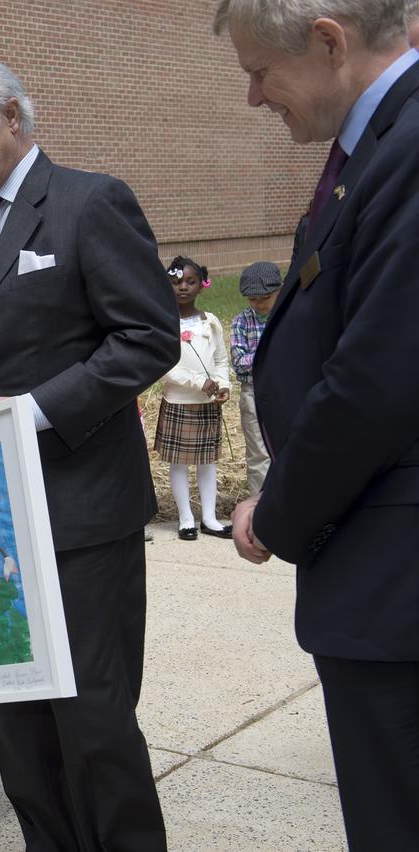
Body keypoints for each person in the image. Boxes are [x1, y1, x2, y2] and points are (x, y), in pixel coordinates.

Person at [0, 52, 178, 850]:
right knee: (17, 727)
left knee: (93, 717)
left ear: (11, 117)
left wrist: (32, 410)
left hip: (80, 510)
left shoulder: (89, 203)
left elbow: (147, 337)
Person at [216, 2, 419, 846]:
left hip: (395, 581)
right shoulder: (375, 147)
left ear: (329, 42)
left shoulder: (406, 149)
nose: (257, 99)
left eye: (261, 72)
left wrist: (278, 512)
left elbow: (375, 378)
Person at [153, 256, 231, 541]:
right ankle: (186, 518)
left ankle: (209, 518)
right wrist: (200, 382)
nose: (182, 287)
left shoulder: (210, 323)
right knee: (179, 462)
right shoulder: (163, 324)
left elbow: (221, 360)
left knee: (208, 461)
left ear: (202, 285)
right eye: (175, 282)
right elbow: (166, 365)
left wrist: (223, 385)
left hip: (208, 404)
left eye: (190, 281)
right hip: (179, 402)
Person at [229, 261, 281, 497]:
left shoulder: (286, 317)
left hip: (285, 389)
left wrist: (259, 356)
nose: (259, 304)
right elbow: (239, 362)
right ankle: (260, 507)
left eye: (265, 297)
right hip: (253, 391)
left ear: (279, 290)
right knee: (258, 453)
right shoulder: (241, 321)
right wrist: (273, 353)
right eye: (252, 299)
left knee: (288, 448)